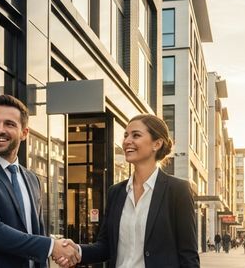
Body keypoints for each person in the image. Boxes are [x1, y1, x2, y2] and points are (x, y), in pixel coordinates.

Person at [0, 95, 79, 267]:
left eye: (9, 124)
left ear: (24, 133)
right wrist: (52, 247)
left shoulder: (32, 179)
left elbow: (35, 232)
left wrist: (55, 248)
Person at [60, 114, 200, 267]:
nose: (127, 141)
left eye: (136, 135)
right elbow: (106, 246)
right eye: (126, 135)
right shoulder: (116, 192)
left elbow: (189, 255)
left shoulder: (177, 190)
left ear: (157, 144)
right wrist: (77, 250)